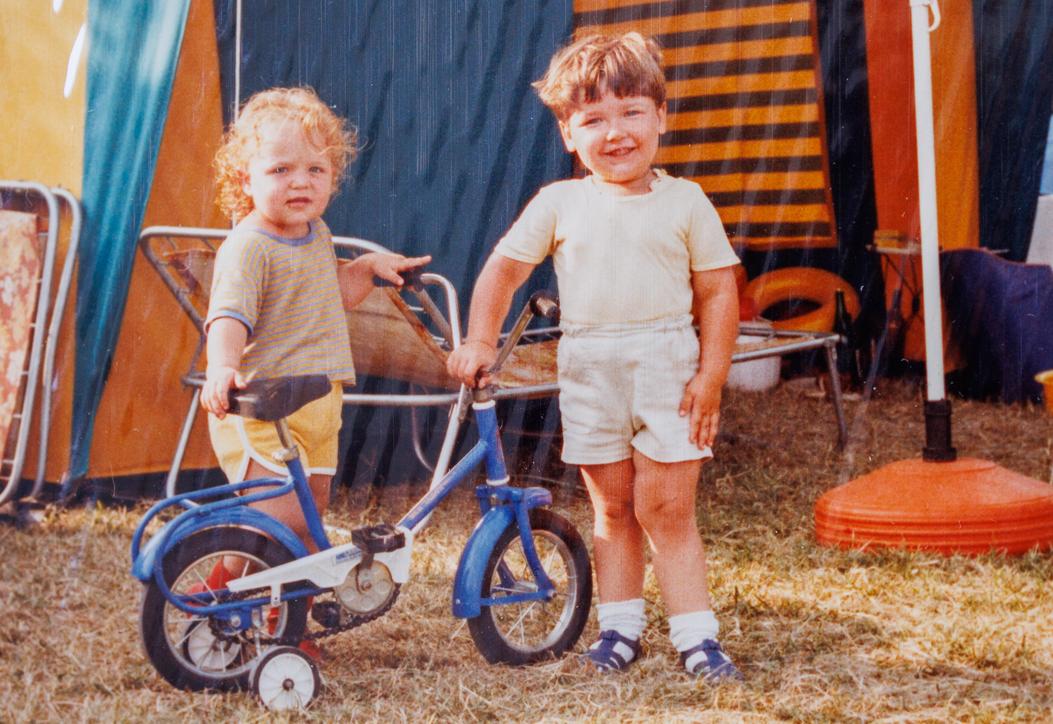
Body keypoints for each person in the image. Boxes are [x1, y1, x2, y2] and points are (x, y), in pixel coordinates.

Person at [445, 32, 743, 681]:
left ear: (660, 116)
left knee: (666, 508)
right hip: (588, 372)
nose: (616, 133)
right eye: (593, 120)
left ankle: (697, 638)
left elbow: (719, 291)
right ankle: (620, 630)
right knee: (611, 508)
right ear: (567, 133)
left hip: (666, 367)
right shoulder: (560, 202)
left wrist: (712, 377)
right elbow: (502, 271)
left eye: (631, 112)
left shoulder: (686, 201)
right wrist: (479, 339)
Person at [199, 87, 428, 614]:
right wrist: (223, 366)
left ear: (333, 177)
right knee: (281, 524)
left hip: (318, 404)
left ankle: (231, 601)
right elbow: (229, 314)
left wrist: (366, 270)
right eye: (280, 170)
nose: (300, 181)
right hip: (265, 404)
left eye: (315, 170)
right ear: (245, 179)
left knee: (306, 513)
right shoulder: (250, 244)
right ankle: (273, 619)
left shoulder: (315, 233)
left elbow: (330, 295)